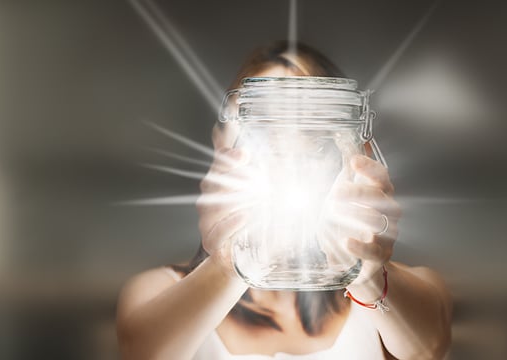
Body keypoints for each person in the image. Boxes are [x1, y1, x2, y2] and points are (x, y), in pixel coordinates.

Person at [116, 41, 452, 360]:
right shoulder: (156, 290)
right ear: (221, 150)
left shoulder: (403, 291)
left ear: (354, 152)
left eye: (312, 137)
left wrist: (366, 274)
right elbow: (144, 353)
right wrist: (232, 263)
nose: (288, 160)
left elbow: (427, 348)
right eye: (264, 134)